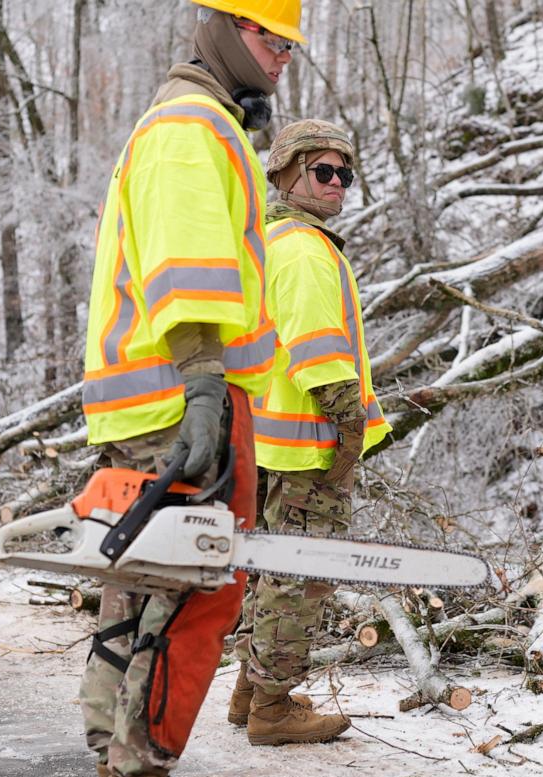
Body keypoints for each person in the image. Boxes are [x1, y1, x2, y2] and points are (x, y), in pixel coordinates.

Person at [75, 2, 299, 777]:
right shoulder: (188, 125)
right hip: (179, 404)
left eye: (288, 46)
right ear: (219, 30)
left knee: (148, 610)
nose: (281, 59)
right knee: (173, 614)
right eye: (267, 39)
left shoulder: (203, 124)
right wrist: (205, 388)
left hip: (171, 400)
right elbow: (186, 264)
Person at [227, 120, 391, 745]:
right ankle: (272, 707)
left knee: (274, 572)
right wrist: (349, 425)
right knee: (301, 577)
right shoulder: (302, 249)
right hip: (309, 442)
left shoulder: (277, 242)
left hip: (279, 444)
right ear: (288, 172)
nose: (337, 184)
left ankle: (250, 691)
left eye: (345, 174)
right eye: (324, 171)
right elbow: (317, 347)